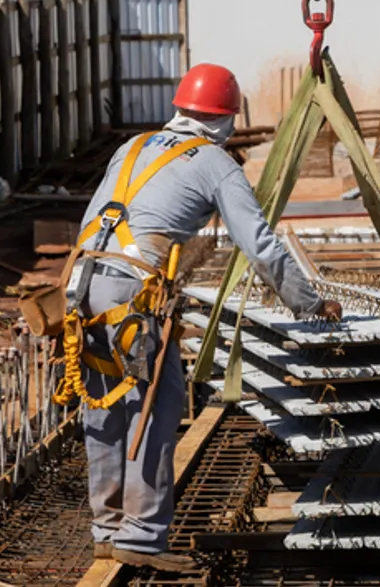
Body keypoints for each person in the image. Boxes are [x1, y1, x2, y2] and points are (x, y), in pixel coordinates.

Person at [74, 63, 341, 571]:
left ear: (181, 107)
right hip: (132, 291)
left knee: (104, 406)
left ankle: (106, 529)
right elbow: (260, 246)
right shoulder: (215, 162)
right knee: (156, 404)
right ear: (227, 119)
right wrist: (309, 303)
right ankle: (142, 536)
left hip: (82, 286)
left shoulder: (132, 147)